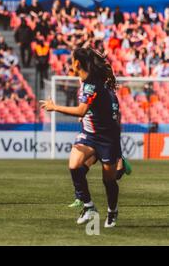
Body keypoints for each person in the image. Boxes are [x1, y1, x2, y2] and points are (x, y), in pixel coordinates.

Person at [40, 47, 123, 228]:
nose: (70, 63)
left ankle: (112, 211)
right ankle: (88, 206)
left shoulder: (91, 83)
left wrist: (55, 107)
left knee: (108, 181)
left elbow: (82, 110)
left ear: (77, 63)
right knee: (74, 165)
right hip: (89, 135)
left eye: (72, 59)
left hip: (107, 138)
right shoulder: (84, 79)